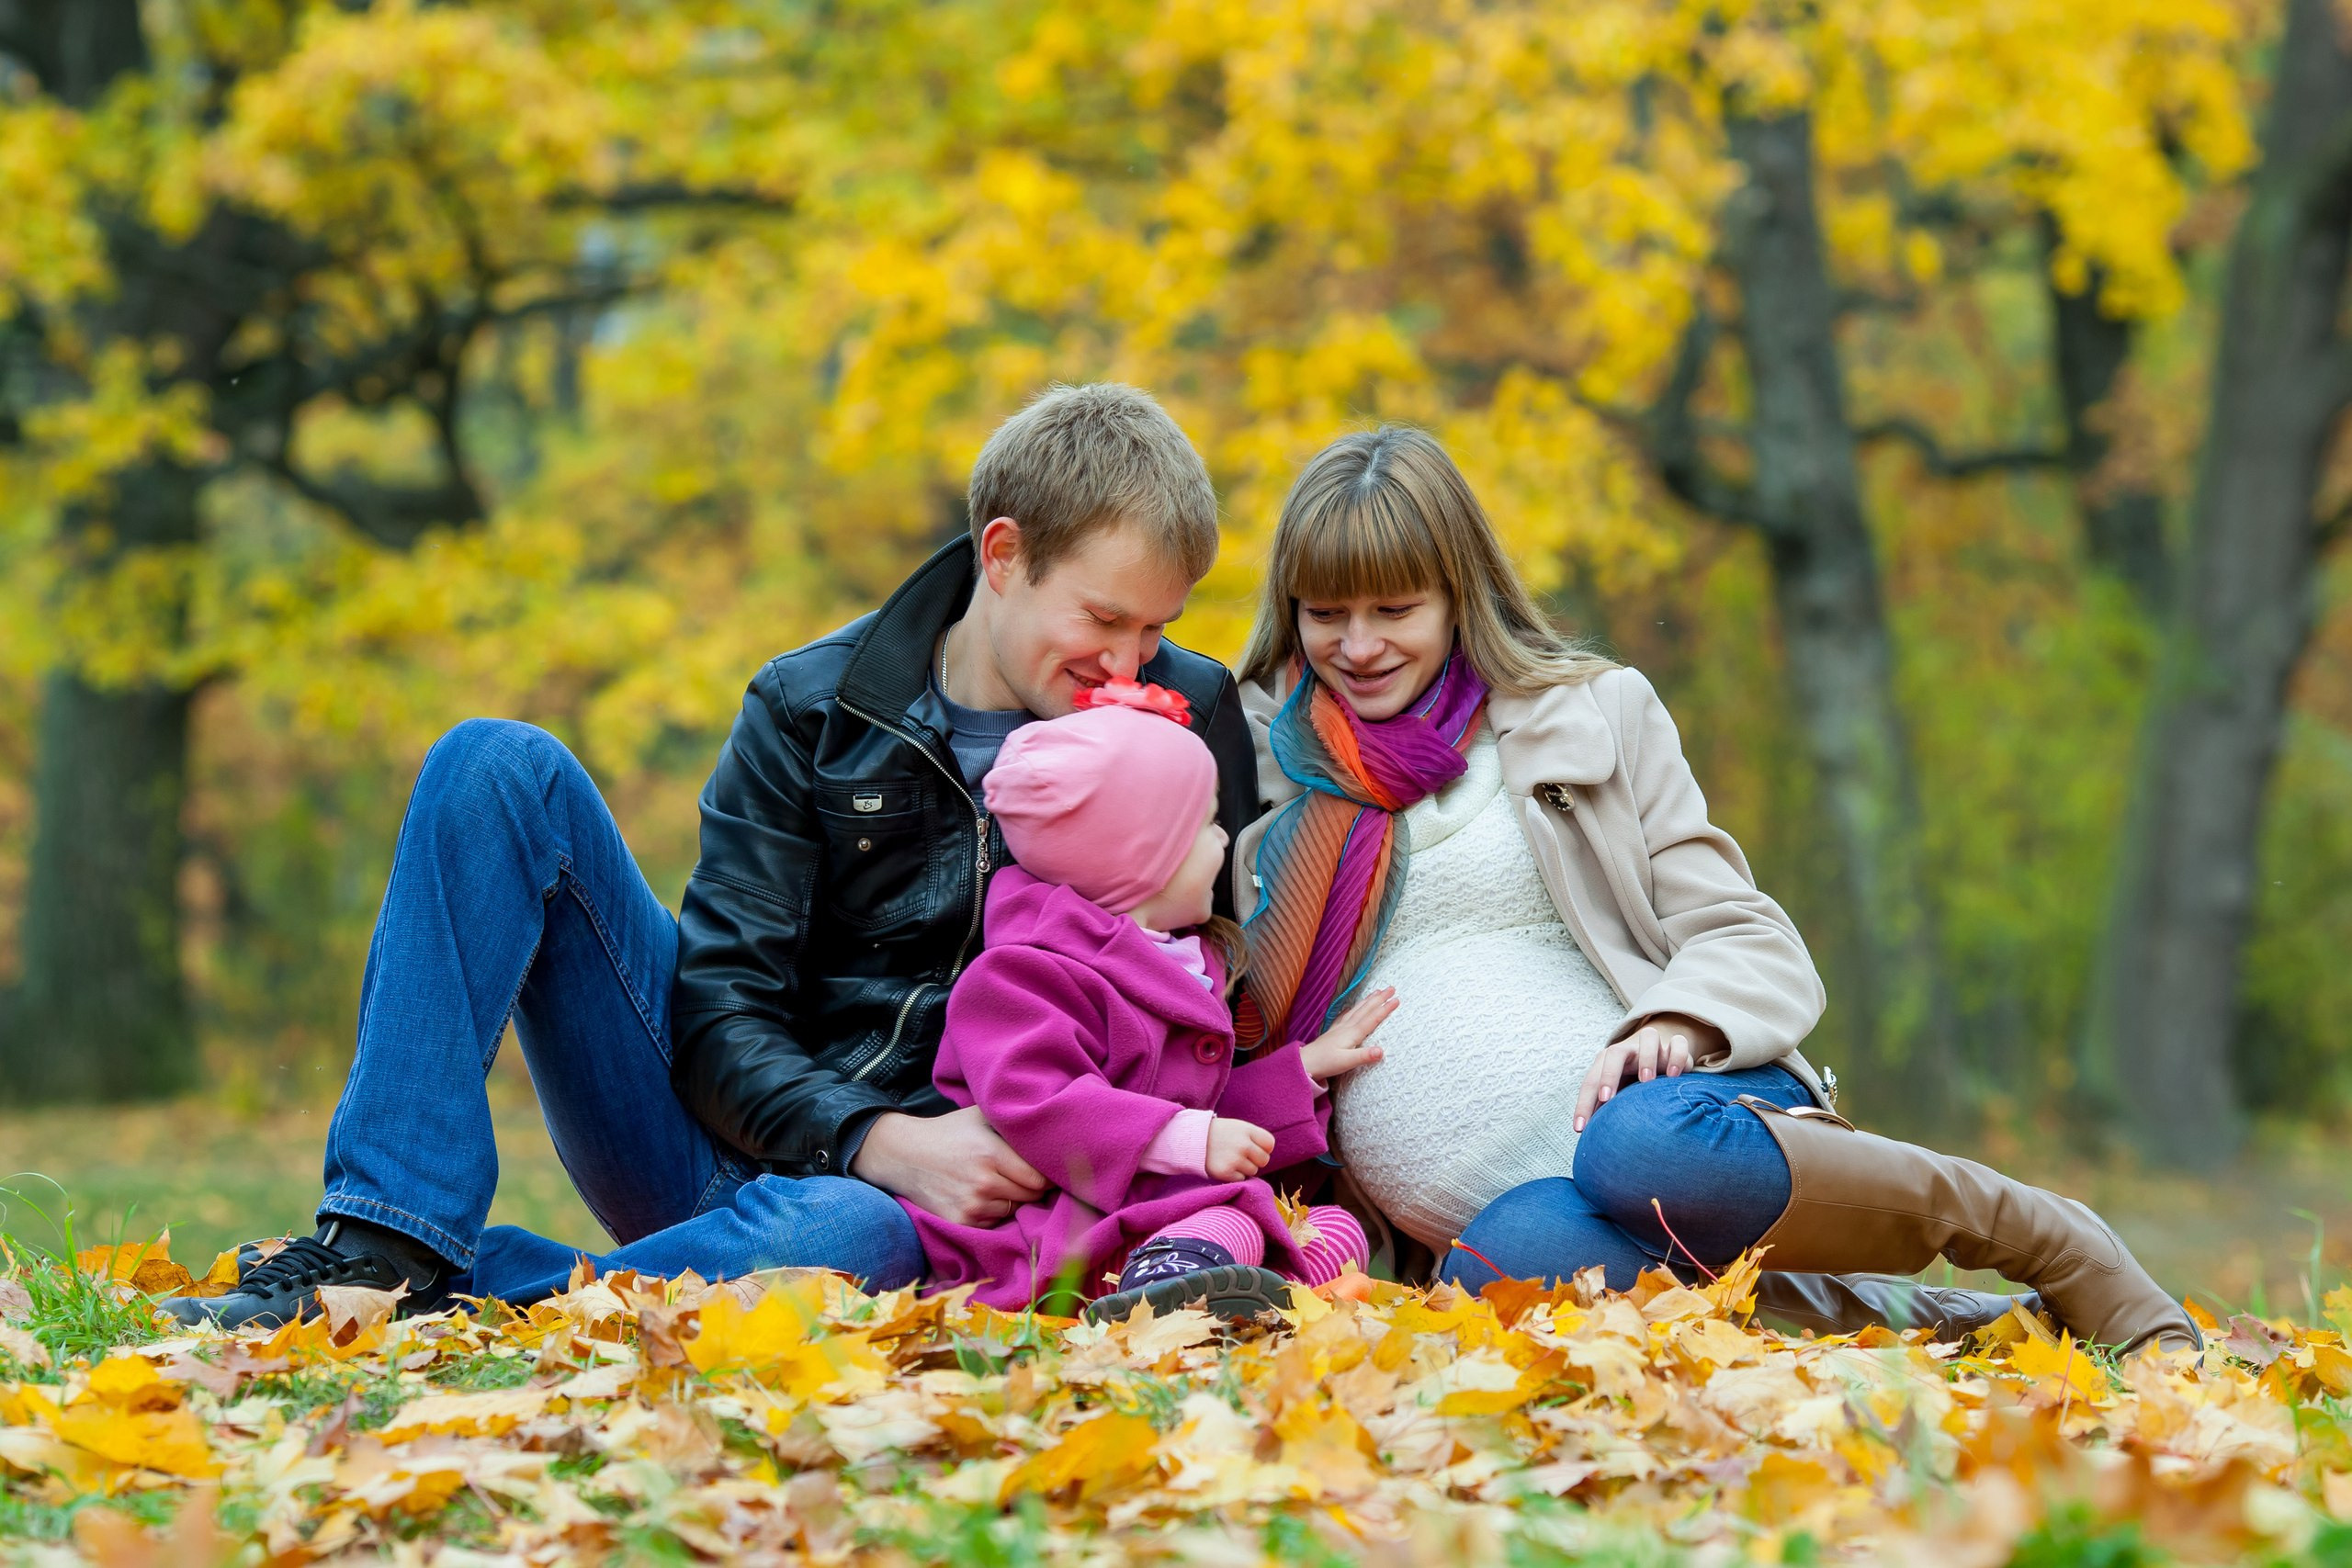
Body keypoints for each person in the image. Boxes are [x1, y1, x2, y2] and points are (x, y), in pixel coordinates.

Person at [168, 383, 1265, 1327]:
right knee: (497, 767)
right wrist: (874, 1136)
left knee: (853, 1237)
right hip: (735, 1147)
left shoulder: (1185, 716)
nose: (1128, 661)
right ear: (1004, 555)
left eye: (1156, 630)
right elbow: (719, 1010)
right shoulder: (811, 708)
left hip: (945, 1219)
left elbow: (1198, 988)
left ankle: (494, 1301)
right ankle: (382, 1248)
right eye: (1104, 618)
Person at [1228, 425, 2199, 1354]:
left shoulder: (1589, 719)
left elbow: (1743, 931)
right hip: (1506, 1214)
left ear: (1457, 595)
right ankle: (1968, 1330)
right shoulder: (1261, 782)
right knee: (1506, 1271)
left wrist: (1681, 1024)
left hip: (1680, 1119)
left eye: (1392, 610)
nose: (1356, 647)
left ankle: (2036, 1233)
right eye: (1327, 613)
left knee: (1635, 1152)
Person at [901, 684, 1387, 1324]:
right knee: (1226, 1219)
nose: (1223, 838)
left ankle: (1242, 1306)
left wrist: (1298, 1073)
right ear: (1145, 856)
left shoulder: (1173, 956)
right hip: (1054, 1234)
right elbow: (1044, 1102)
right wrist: (1185, 1137)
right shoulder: (1022, 973)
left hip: (1147, 1213)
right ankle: (1159, 1306)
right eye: (1205, 824)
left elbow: (1189, 1110)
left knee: (1334, 1228)